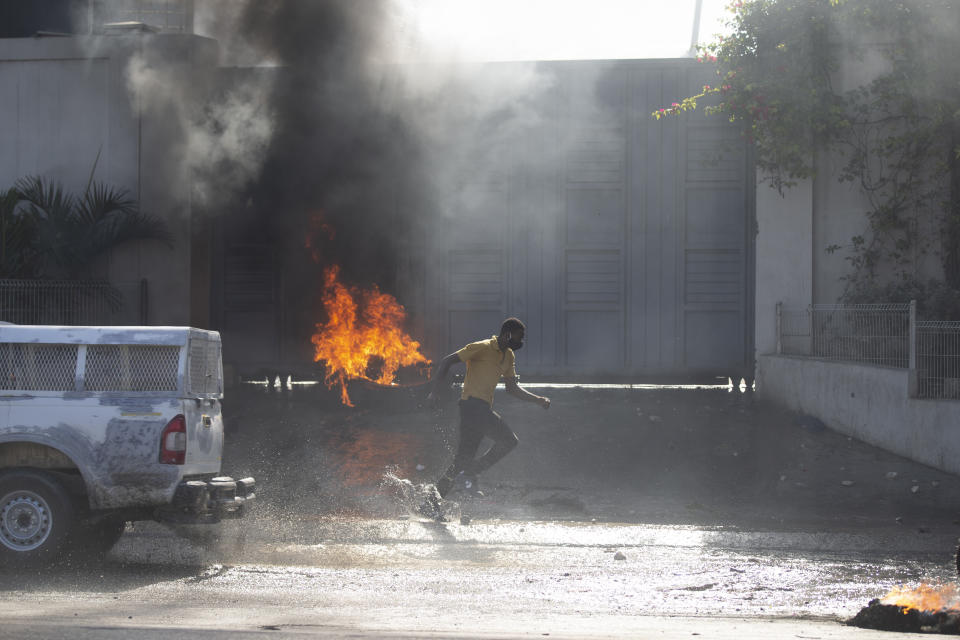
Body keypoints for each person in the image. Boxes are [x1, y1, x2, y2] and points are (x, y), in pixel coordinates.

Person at [421, 317, 550, 519]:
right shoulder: (481, 347)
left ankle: (431, 500)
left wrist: (538, 400)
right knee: (509, 441)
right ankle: (471, 472)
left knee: (462, 459)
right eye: (519, 337)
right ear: (507, 333)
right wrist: (434, 392)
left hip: (481, 409)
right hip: (472, 406)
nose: (521, 342)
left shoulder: (508, 356)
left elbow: (512, 388)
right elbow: (447, 361)